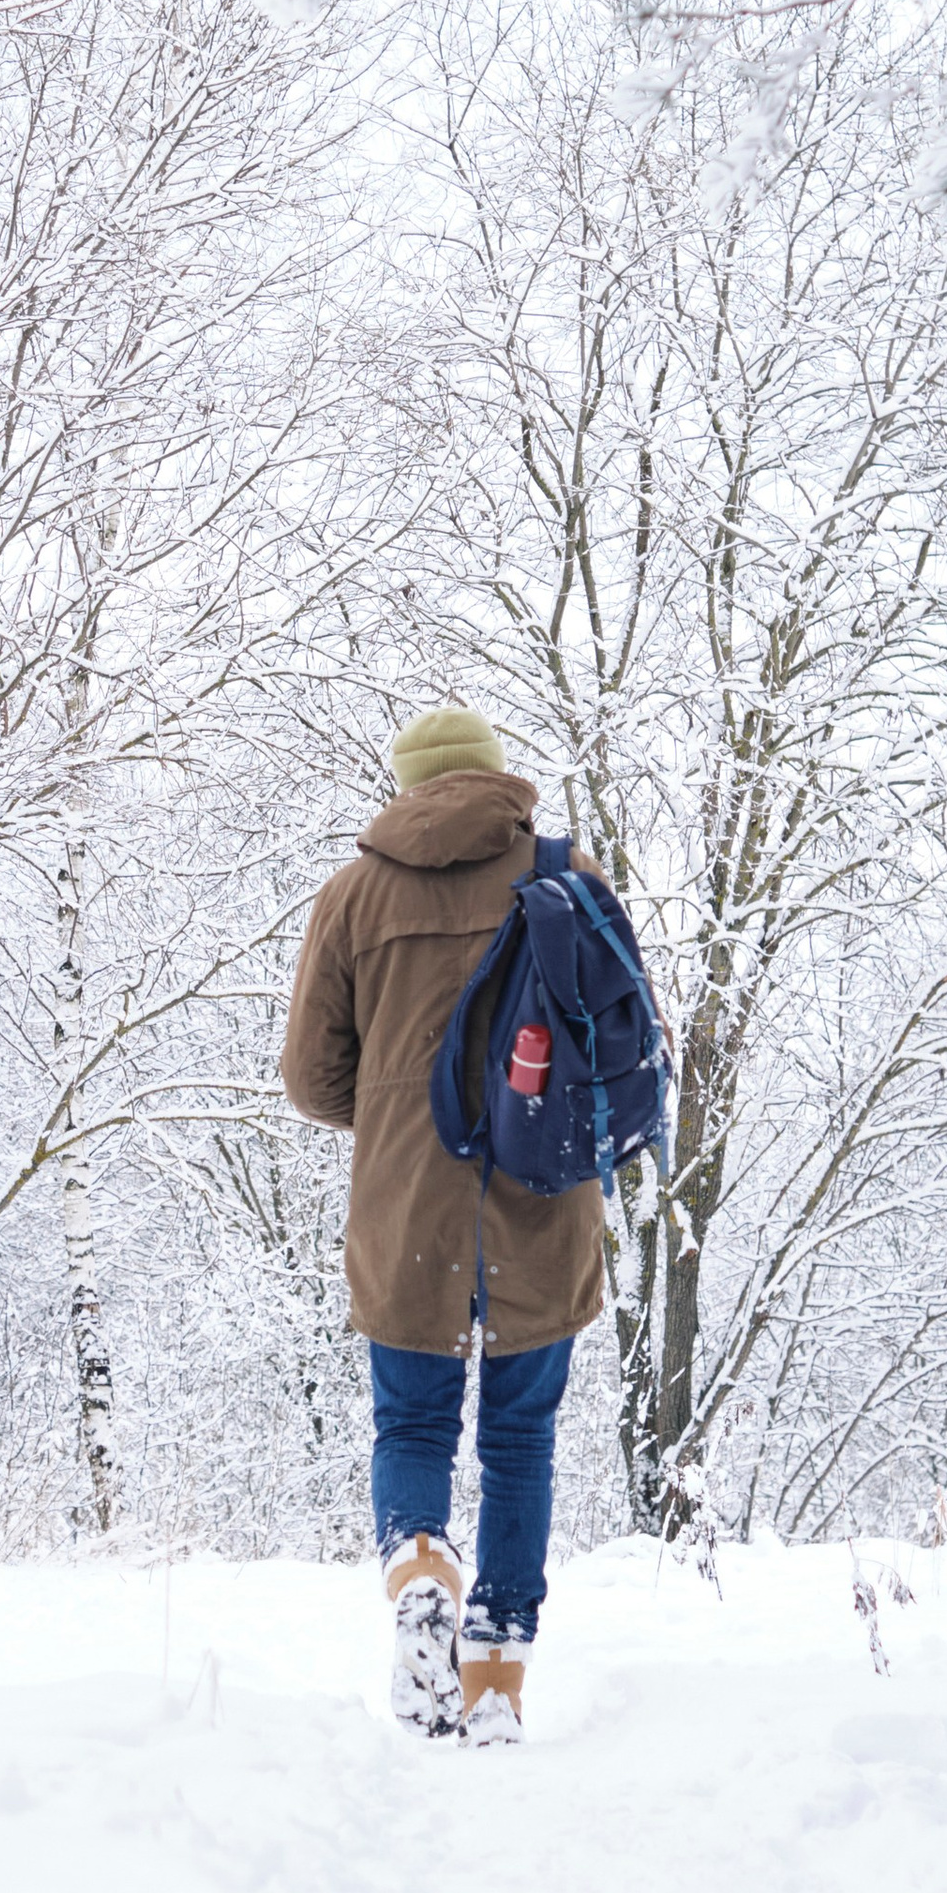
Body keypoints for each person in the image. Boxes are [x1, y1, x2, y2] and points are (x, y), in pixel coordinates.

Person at [281, 704, 604, 1746]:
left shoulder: (353, 895)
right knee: (521, 1439)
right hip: (541, 1202)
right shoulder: (566, 877)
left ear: (406, 785)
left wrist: (394, 1114)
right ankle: (497, 1682)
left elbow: (309, 1076)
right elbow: (616, 1050)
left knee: (412, 1425)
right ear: (497, 777)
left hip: (406, 1205)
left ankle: (421, 1562)